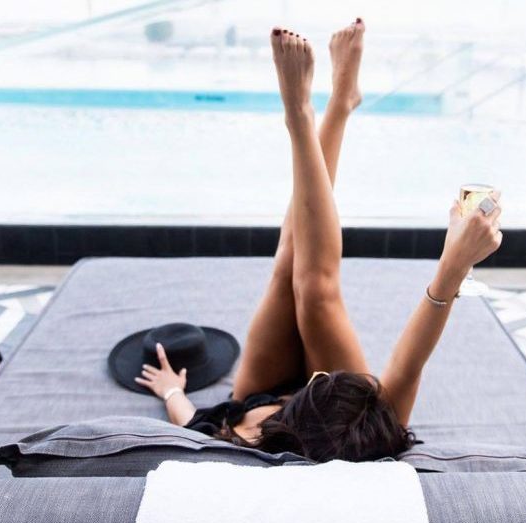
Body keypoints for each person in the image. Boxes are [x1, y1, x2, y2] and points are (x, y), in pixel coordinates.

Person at [134, 19, 502, 462]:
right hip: (325, 419)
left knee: (292, 267)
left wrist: (171, 390)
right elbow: (410, 362)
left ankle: (314, 112)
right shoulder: (371, 429)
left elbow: (191, 420)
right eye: (325, 377)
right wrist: (455, 265)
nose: (317, 372)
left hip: (258, 399)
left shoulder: (238, 440)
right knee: (314, 289)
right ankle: (323, 107)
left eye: (318, 380)